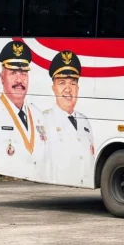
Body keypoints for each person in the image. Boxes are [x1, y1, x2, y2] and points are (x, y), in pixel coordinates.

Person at [0, 41, 47, 179]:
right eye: (13, 73)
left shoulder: (38, 115)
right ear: (2, 77)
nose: (19, 80)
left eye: (23, 73)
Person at [43, 50, 95, 185]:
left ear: (78, 87)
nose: (68, 89)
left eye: (72, 83)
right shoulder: (44, 121)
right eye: (62, 83)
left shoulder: (84, 122)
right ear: (53, 88)